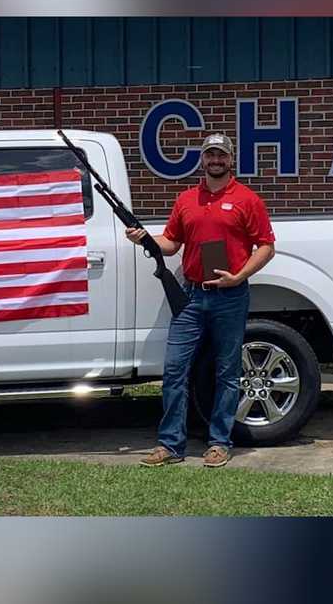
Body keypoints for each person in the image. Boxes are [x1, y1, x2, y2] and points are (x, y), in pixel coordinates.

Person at [126, 133, 276, 468]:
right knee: (175, 369)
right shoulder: (186, 200)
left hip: (231, 296)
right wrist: (144, 238)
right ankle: (170, 445)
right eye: (210, 155)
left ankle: (219, 442)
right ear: (202, 159)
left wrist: (238, 276)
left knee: (226, 372)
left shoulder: (247, 200)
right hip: (191, 296)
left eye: (221, 155)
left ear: (231, 160)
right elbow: (171, 244)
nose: (216, 161)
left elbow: (266, 246)